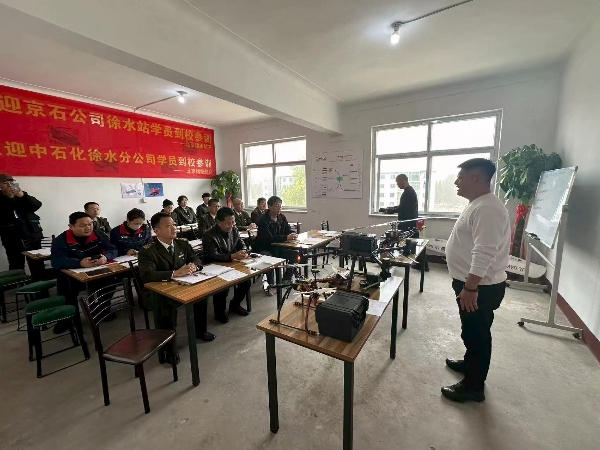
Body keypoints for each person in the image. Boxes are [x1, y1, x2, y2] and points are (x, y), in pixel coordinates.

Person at [442, 158, 510, 403]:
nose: (456, 182)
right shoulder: (478, 204)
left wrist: (470, 287)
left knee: (477, 333)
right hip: (472, 284)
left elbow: (484, 252)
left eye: (460, 178)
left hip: (479, 287)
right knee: (471, 330)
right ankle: (470, 364)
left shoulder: (488, 209)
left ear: (476, 179)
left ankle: (473, 387)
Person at [138, 212, 215, 364]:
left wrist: (194, 266)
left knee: (201, 294)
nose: (174, 228)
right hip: (158, 290)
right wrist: (174, 273)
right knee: (165, 304)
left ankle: (200, 331)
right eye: (168, 226)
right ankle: (169, 347)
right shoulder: (148, 250)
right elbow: (147, 275)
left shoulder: (182, 243)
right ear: (156, 230)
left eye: (174, 224)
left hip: (182, 285)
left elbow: (196, 258)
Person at [51, 211, 118, 332]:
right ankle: (67, 319)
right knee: (66, 292)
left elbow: (112, 249)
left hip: (96, 270)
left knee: (111, 282)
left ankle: (103, 310)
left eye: (90, 224)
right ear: (71, 226)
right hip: (71, 276)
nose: (88, 228)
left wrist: (106, 257)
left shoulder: (97, 234)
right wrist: (79, 263)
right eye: (82, 225)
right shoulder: (61, 240)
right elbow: (57, 261)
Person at [202, 207, 251, 323]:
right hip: (214, 266)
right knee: (222, 287)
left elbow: (241, 244)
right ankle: (219, 312)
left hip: (231, 263)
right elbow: (212, 255)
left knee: (246, 281)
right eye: (228, 223)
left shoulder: (234, 230)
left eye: (233, 222)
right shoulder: (209, 235)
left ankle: (235, 305)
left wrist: (244, 251)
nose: (231, 225)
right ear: (219, 222)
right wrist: (232, 256)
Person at [253, 196, 298, 293]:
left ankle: (286, 278)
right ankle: (270, 284)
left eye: (280, 206)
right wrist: (286, 237)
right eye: (276, 206)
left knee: (295, 253)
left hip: (279, 247)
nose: (279, 208)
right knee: (268, 258)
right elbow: (269, 238)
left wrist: (292, 234)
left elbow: (287, 229)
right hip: (265, 247)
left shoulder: (281, 217)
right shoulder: (263, 220)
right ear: (269, 207)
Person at [384, 174, 428, 271]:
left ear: (402, 181)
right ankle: (422, 264)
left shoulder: (409, 193)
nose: (397, 184)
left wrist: (392, 210)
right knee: (413, 242)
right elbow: (402, 206)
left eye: (397, 182)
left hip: (408, 223)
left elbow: (403, 208)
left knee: (409, 242)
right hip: (409, 222)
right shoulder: (409, 191)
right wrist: (392, 208)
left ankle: (421, 264)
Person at [0, 174, 43, 270]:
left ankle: (39, 279)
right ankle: (18, 279)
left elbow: (37, 205)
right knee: (16, 264)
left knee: (37, 263)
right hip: (11, 237)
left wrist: (22, 196)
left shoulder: (22, 195)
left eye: (11, 182)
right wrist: (10, 198)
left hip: (31, 234)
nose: (9, 185)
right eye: (5, 183)